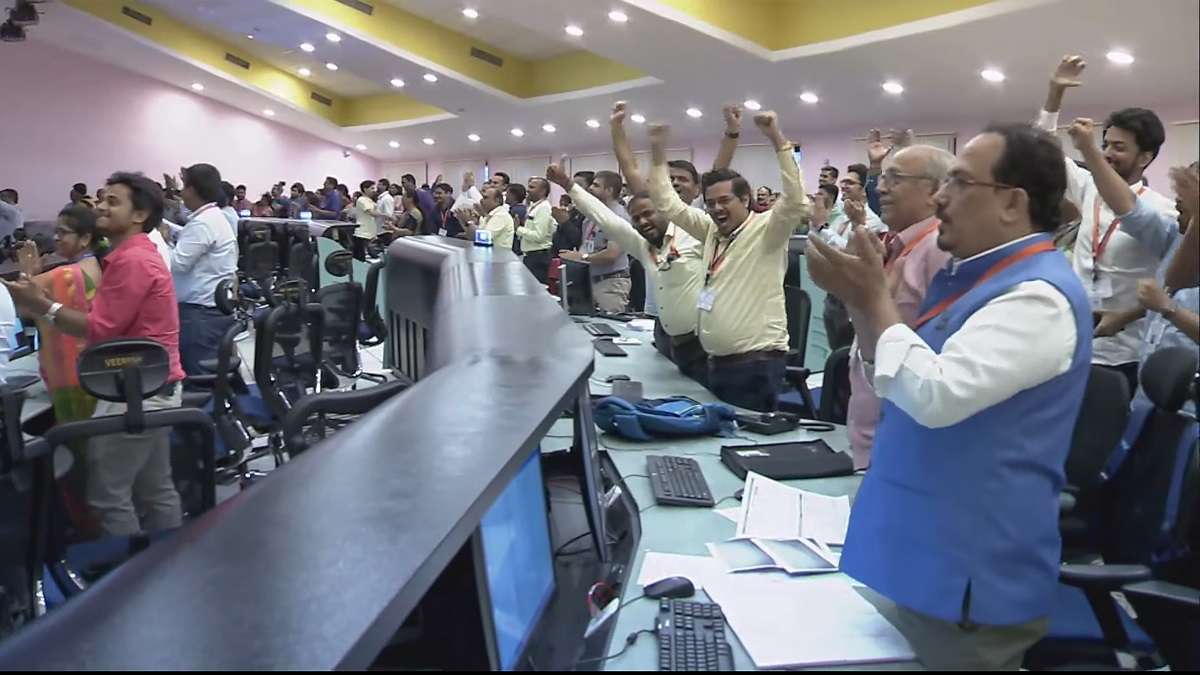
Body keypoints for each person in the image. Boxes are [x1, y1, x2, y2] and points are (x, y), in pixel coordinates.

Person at [807, 123, 1089, 670]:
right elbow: (899, 381)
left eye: (959, 183)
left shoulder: (1038, 298)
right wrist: (865, 308)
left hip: (968, 572)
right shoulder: (975, 277)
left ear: (1012, 202)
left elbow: (937, 396)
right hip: (925, 550)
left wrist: (877, 303)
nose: (939, 197)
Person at [4, 171, 185, 538]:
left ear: (139, 215)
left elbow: (99, 329)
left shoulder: (133, 261)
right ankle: (166, 564)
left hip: (138, 390)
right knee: (154, 490)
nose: (100, 206)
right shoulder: (130, 255)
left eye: (112, 202)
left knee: (108, 496)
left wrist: (43, 305)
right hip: (151, 385)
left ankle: (124, 583)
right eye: (101, 198)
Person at [646, 111, 809, 411]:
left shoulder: (768, 230)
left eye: (724, 201)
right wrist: (657, 151)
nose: (716, 208)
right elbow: (667, 203)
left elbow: (796, 200)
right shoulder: (710, 230)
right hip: (717, 364)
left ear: (745, 199)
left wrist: (776, 138)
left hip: (754, 366)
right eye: (710, 203)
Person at [1037, 55, 1177, 395]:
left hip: (1125, 354)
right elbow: (1042, 150)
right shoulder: (1089, 188)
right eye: (1105, 145)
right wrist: (1054, 94)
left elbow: (1172, 288)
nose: (1107, 153)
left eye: (1119, 147)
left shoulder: (1165, 212)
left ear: (1145, 158)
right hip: (1075, 343)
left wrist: (1127, 316)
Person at [1067, 121, 1200, 402]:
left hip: (1189, 403)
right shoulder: (1172, 237)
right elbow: (1128, 208)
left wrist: (1170, 310)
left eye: (1185, 199)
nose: (1176, 203)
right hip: (1149, 393)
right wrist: (1090, 151)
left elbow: (1168, 303)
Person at [844, 144, 954, 469]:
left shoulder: (939, 250)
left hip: (903, 444)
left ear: (935, 190)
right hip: (874, 436)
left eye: (895, 179)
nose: (880, 188)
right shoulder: (898, 245)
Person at [16, 206, 104, 536]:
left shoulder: (65, 276)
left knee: (79, 454)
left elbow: (18, 301)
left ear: (85, 238)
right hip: (86, 373)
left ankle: (87, 528)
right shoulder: (92, 266)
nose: (56, 238)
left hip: (70, 378)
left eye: (64, 233)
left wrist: (27, 271)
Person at [171, 164, 239, 376]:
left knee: (200, 378)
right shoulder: (211, 217)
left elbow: (177, 264)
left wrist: (160, 242)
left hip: (199, 313)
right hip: (211, 308)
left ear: (192, 189)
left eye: (184, 186)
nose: (181, 193)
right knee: (214, 376)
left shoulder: (203, 223)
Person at [557, 170, 631, 313]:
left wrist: (582, 258)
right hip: (589, 280)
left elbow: (611, 254)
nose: (590, 188)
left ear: (609, 190)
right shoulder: (593, 214)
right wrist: (576, 256)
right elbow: (588, 244)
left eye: (596, 185)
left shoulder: (618, 216)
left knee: (608, 327)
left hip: (610, 283)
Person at [518, 177, 555, 284]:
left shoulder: (543, 208)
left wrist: (518, 229)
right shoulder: (533, 206)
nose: (528, 190)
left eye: (532, 187)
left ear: (543, 191)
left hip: (538, 257)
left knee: (535, 291)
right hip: (531, 256)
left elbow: (539, 236)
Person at [353, 180, 381, 259]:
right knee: (360, 258)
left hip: (370, 233)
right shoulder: (362, 200)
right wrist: (386, 215)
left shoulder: (370, 200)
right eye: (372, 188)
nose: (374, 190)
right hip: (362, 233)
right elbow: (371, 212)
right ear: (365, 189)